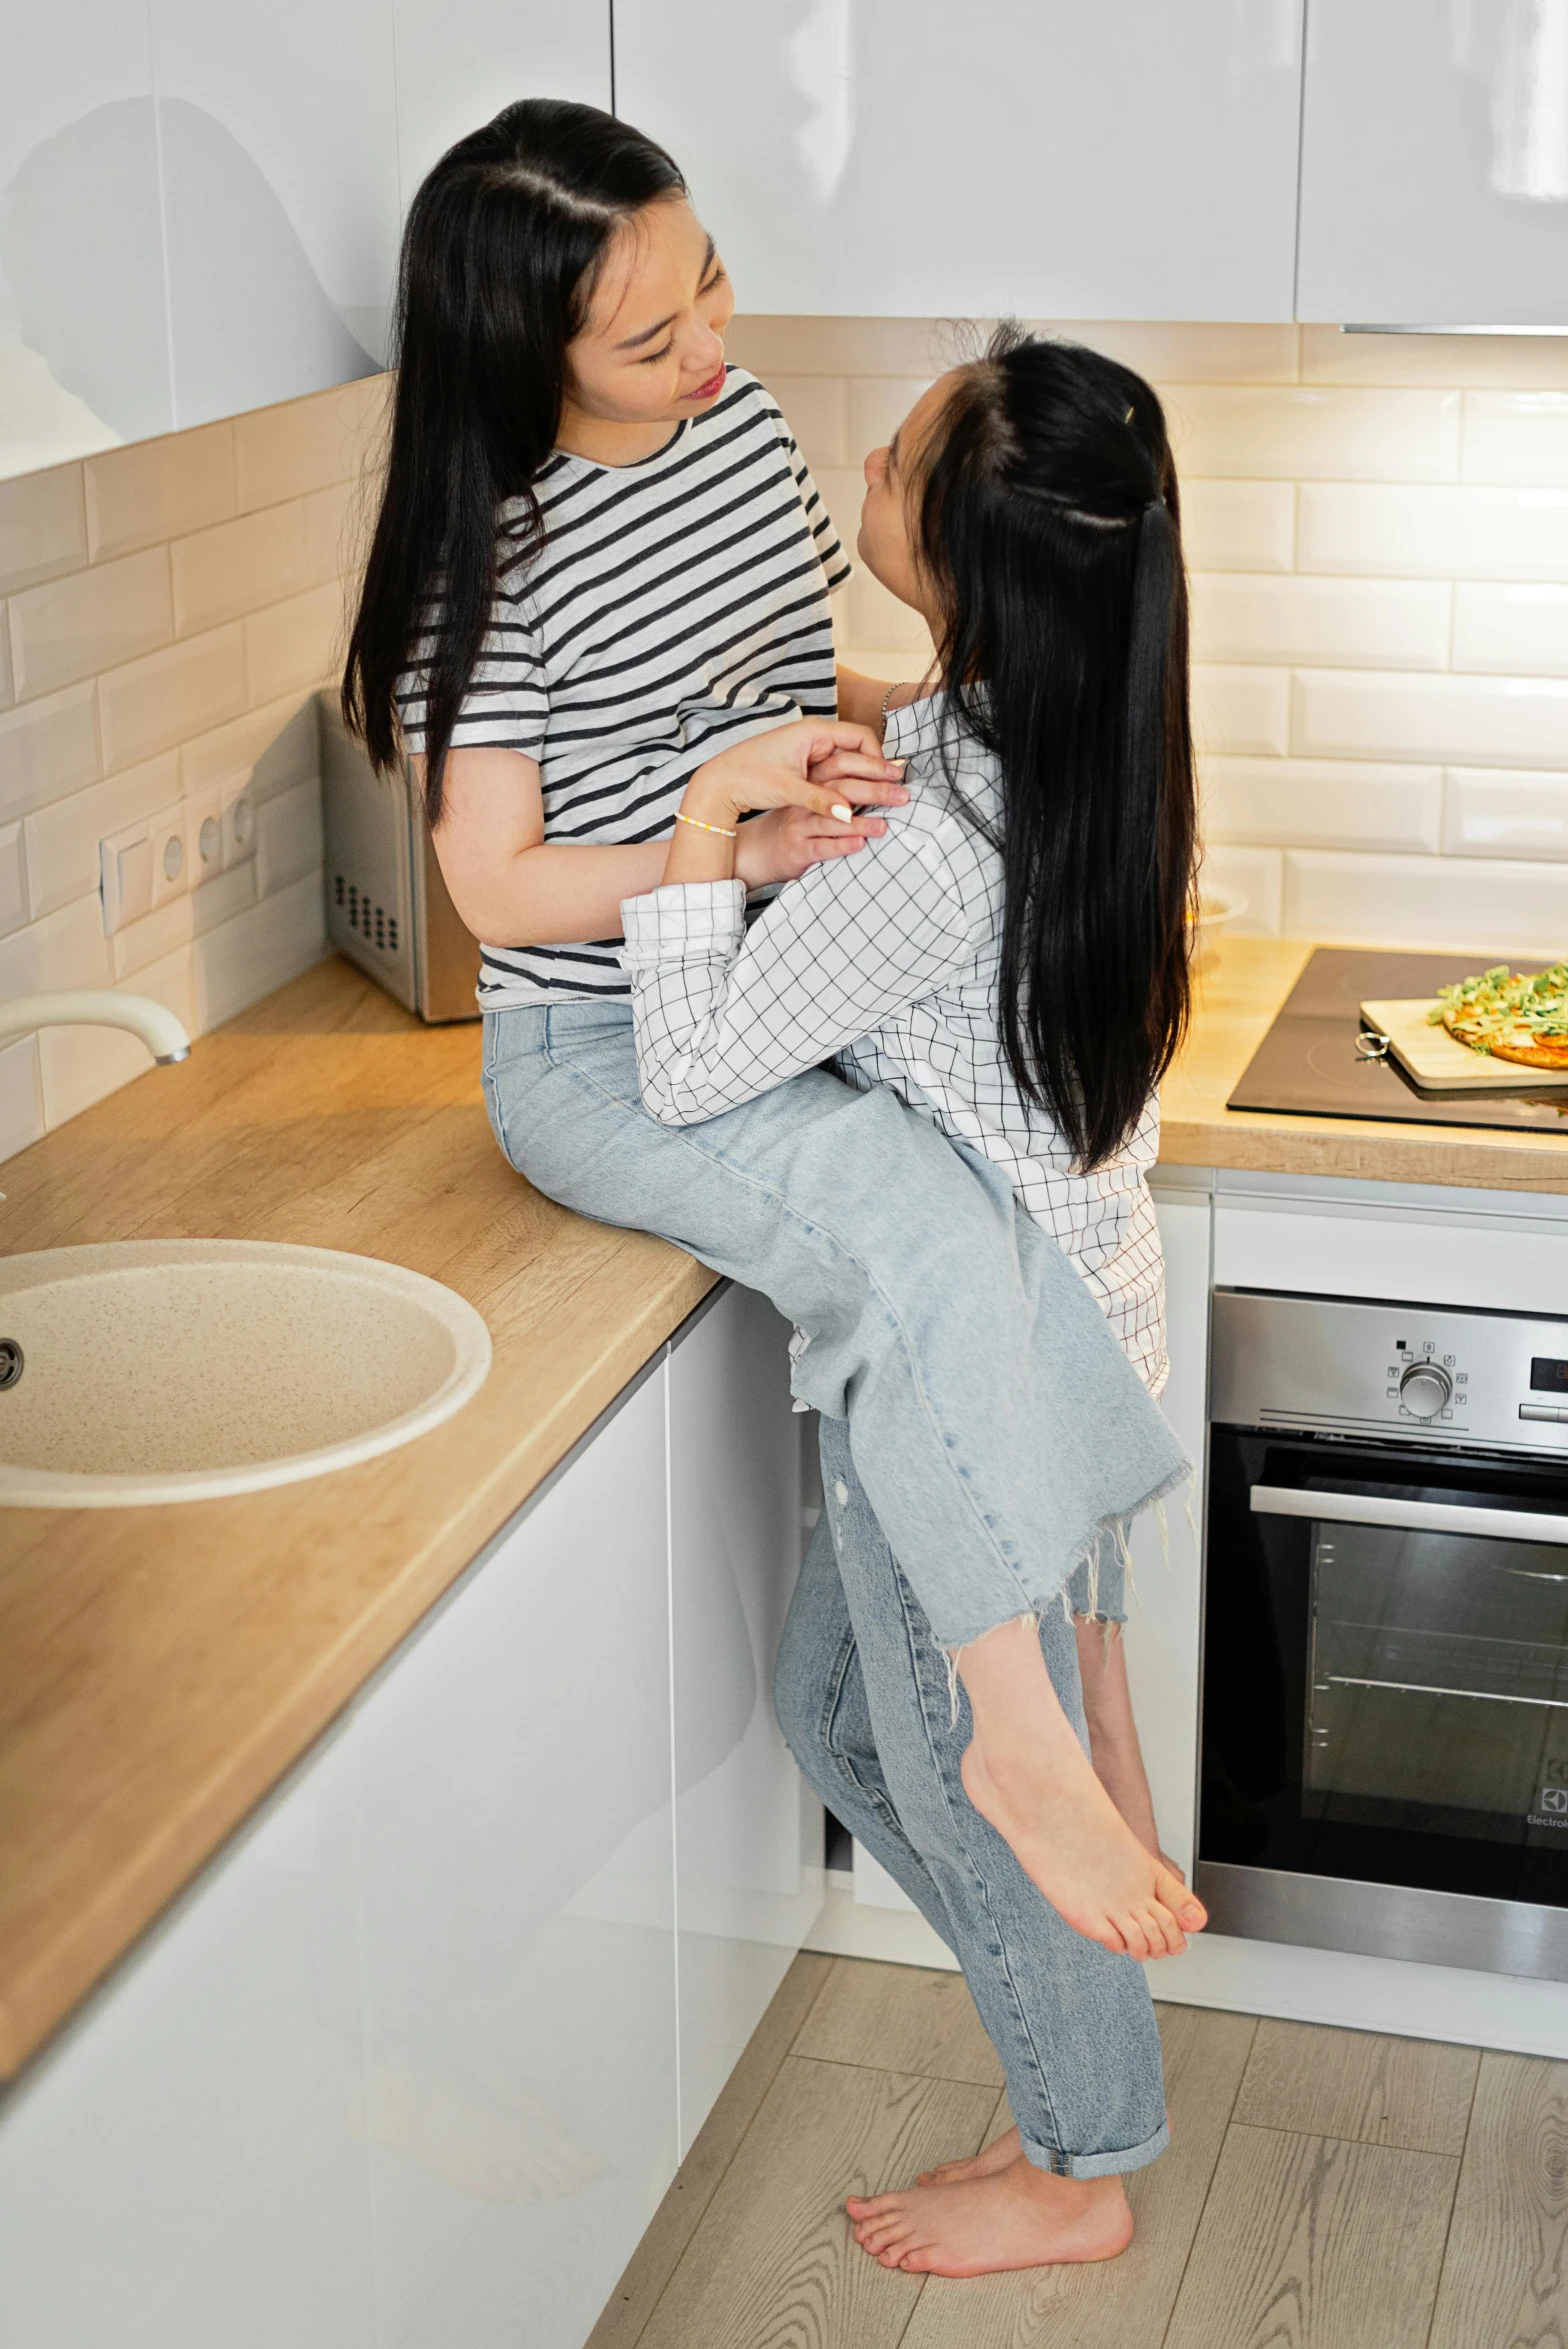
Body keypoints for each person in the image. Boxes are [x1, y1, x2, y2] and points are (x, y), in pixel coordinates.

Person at [343, 96, 1202, 2262]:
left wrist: (821, 771)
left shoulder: (733, 442)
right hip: (602, 1040)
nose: (715, 345)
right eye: (650, 337)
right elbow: (496, 880)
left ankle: (1056, 1706)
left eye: (707, 276)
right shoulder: (486, 559)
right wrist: (723, 830)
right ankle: (1044, 1709)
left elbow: (780, 679)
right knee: (936, 1240)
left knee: (860, 1609)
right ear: (522, 354)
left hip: (756, 970)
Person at [617, 326, 1203, 2274]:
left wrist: (706, 815)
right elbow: (932, 738)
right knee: (842, 1720)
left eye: (894, 457)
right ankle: (1071, 2013)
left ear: (957, 556)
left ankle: (1080, 2158)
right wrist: (844, 704)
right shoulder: (1088, 744)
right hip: (1083, 1336)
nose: (863, 452)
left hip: (970, 1398)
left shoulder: (926, 848)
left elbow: (694, 1065)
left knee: (956, 1781)